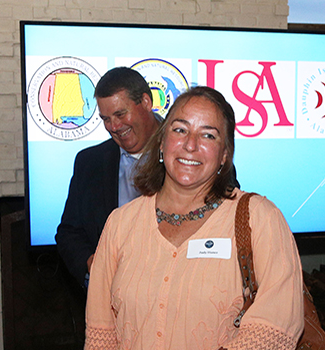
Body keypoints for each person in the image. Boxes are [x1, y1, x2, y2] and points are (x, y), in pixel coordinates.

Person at [84, 86, 304, 349]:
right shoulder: (120, 224)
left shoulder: (260, 219)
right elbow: (101, 335)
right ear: (162, 142)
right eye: (180, 130)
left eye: (208, 135)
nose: (191, 145)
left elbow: (273, 330)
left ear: (224, 155)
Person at [55, 67, 162, 288]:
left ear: (146, 102)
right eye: (106, 119)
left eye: (120, 114)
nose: (114, 127)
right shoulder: (89, 162)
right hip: (112, 304)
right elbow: (69, 233)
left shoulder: (191, 154)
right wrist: (92, 264)